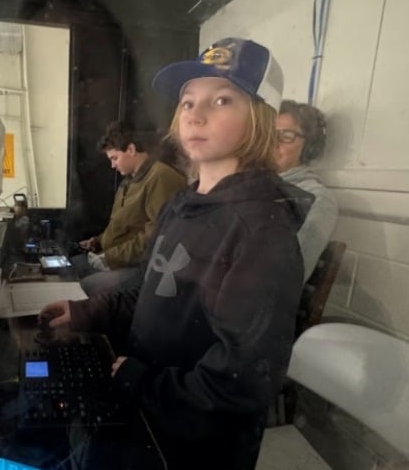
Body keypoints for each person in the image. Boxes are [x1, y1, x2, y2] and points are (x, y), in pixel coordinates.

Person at [40, 37, 310, 468]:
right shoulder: (181, 204)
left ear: (261, 119)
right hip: (148, 406)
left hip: (192, 442)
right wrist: (86, 313)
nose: (196, 115)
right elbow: (147, 288)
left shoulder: (261, 230)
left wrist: (142, 383)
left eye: (222, 100)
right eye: (187, 102)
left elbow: (241, 380)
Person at [72, 121, 186, 296]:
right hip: (120, 258)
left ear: (131, 150)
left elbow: (157, 237)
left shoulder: (160, 177)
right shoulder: (129, 181)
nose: (112, 165)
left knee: (83, 287)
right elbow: (123, 226)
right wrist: (98, 241)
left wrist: (110, 258)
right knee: (72, 266)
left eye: (114, 158)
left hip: (144, 266)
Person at [275, 100, 339, 280]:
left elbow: (290, 276)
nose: (272, 143)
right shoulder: (247, 185)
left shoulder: (319, 199)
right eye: (267, 134)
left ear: (309, 146)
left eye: (285, 135)